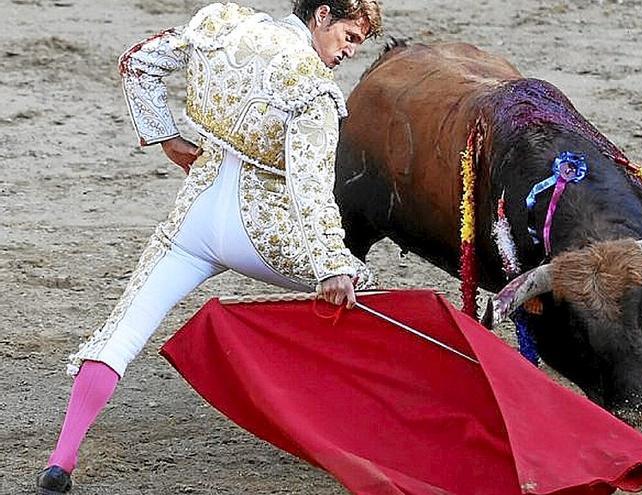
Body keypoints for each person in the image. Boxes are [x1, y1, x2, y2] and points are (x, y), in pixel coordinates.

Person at [36, 1, 383, 492]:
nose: (348, 51)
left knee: (122, 331)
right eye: (348, 36)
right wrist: (333, 266)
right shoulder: (315, 91)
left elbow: (138, 62)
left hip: (193, 218)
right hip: (263, 234)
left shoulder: (224, 27)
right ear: (321, 15)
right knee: (363, 293)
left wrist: (167, 138)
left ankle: (60, 462)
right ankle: (353, 428)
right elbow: (310, 190)